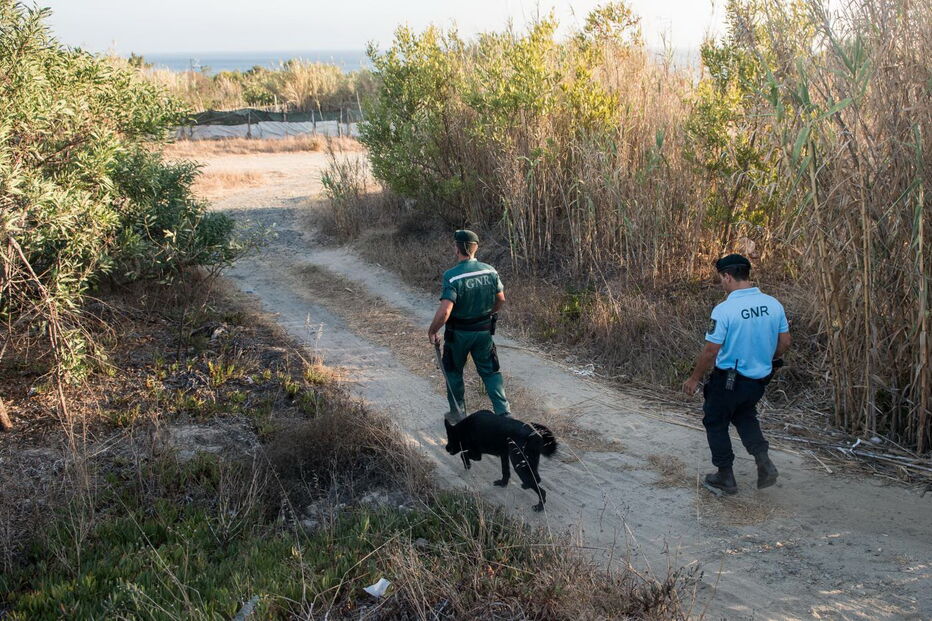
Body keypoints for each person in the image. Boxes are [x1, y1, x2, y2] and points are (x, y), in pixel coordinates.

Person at [682, 254, 791, 494]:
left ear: (727, 276)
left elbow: (711, 350)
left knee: (715, 420)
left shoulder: (725, 310)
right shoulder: (773, 304)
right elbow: (785, 342)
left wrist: (694, 378)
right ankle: (764, 463)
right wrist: (767, 358)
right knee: (744, 415)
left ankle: (725, 476)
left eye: (721, 279)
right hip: (758, 380)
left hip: (729, 380)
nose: (722, 283)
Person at [428, 229, 510, 419]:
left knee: (453, 372)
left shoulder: (452, 276)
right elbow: (501, 299)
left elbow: (445, 311)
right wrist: (488, 313)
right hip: (483, 332)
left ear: (457, 249)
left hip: (458, 335)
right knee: (490, 372)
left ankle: (458, 415)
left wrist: (433, 330)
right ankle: (503, 413)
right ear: (476, 248)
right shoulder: (490, 271)